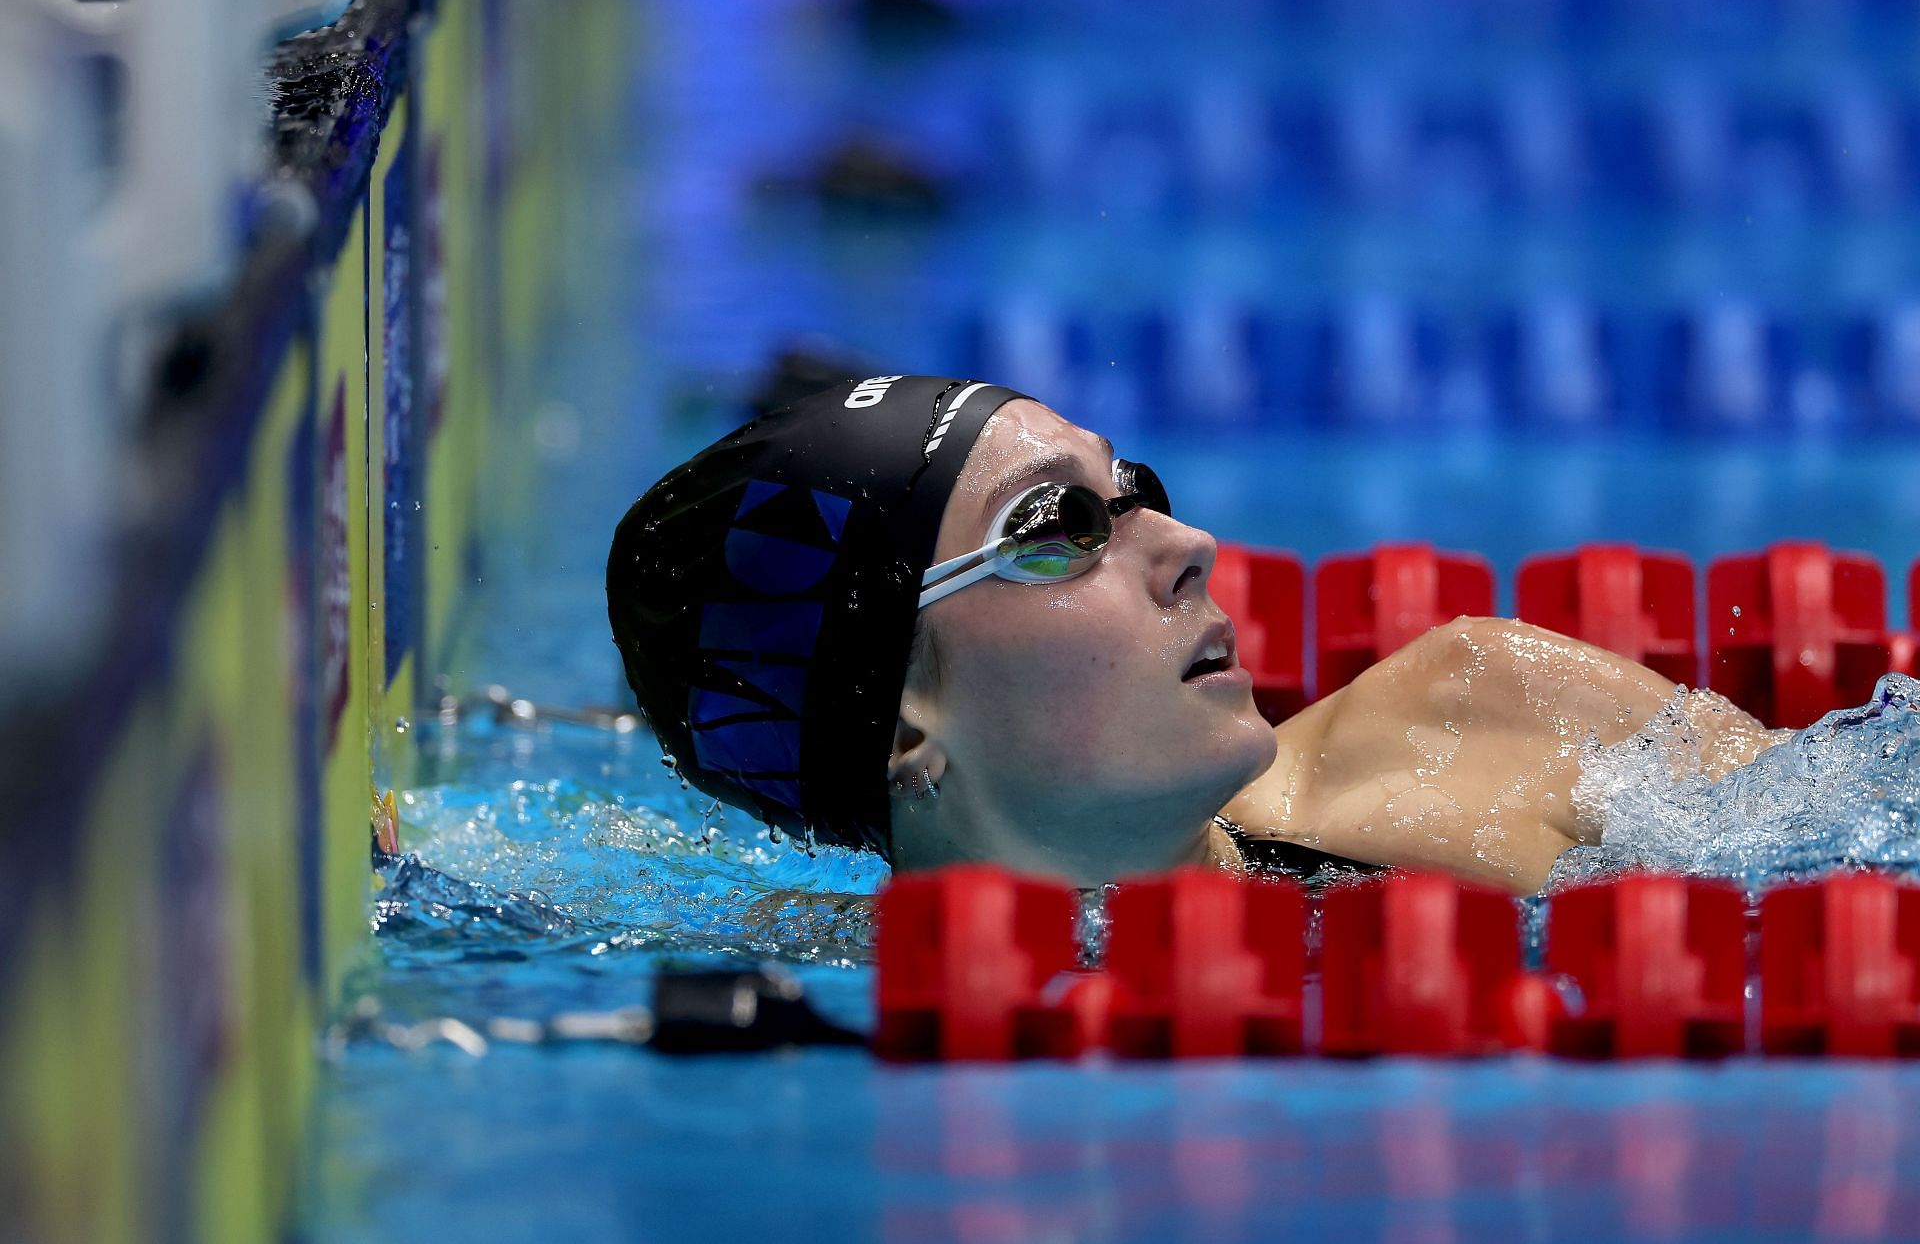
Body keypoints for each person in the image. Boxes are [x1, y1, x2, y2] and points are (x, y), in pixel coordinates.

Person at [607, 377, 1786, 895]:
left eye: (1131, 488)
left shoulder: (1489, 717)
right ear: (905, 714)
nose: (1188, 541)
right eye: (1063, 526)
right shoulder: (845, 996)